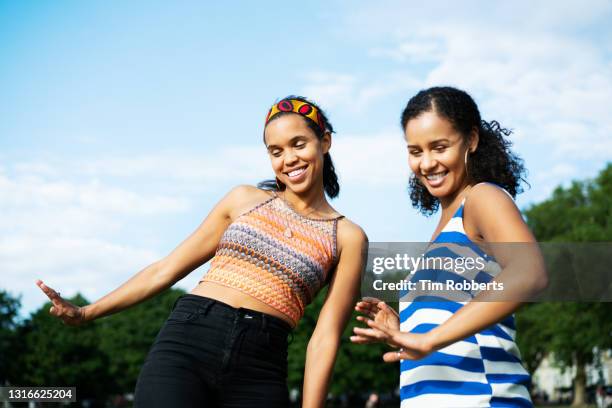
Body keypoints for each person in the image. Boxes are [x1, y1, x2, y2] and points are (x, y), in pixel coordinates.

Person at [36, 95, 367, 408]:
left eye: (299, 144)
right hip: (188, 343)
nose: (288, 159)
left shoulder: (348, 237)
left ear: (324, 141)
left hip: (261, 366)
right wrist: (87, 313)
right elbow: (166, 269)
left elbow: (325, 337)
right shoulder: (243, 199)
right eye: (275, 151)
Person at [351, 87, 547, 407]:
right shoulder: (443, 231)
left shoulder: (483, 198)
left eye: (439, 147)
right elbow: (460, 322)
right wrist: (406, 328)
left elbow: (530, 272)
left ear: (471, 140)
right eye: (415, 151)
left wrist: (429, 339)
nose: (427, 163)